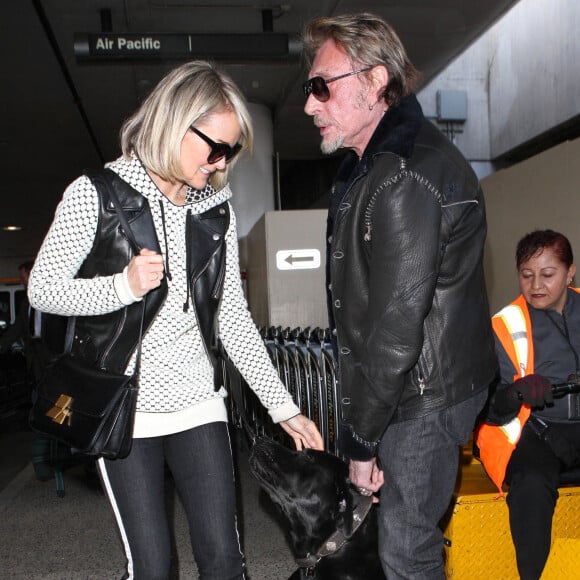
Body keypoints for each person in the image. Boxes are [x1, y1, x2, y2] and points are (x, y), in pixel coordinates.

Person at [28, 60, 323, 580]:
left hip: (199, 406)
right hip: (125, 409)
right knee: (153, 568)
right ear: (175, 122)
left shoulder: (214, 208)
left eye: (231, 152)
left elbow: (231, 314)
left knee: (225, 562)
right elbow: (43, 289)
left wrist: (283, 407)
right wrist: (122, 286)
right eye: (215, 148)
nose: (220, 162)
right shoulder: (94, 195)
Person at [302, 13, 497, 579]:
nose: (311, 104)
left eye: (322, 86)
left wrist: (360, 441)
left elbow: (394, 330)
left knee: (407, 549)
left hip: (422, 395)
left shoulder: (405, 175)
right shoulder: (378, 167)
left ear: (375, 80)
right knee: (405, 541)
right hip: (413, 386)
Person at [476, 229, 580, 580]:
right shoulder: (504, 326)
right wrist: (517, 391)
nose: (536, 284)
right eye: (526, 274)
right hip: (536, 434)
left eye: (548, 274)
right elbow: (487, 407)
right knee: (532, 484)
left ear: (570, 273)